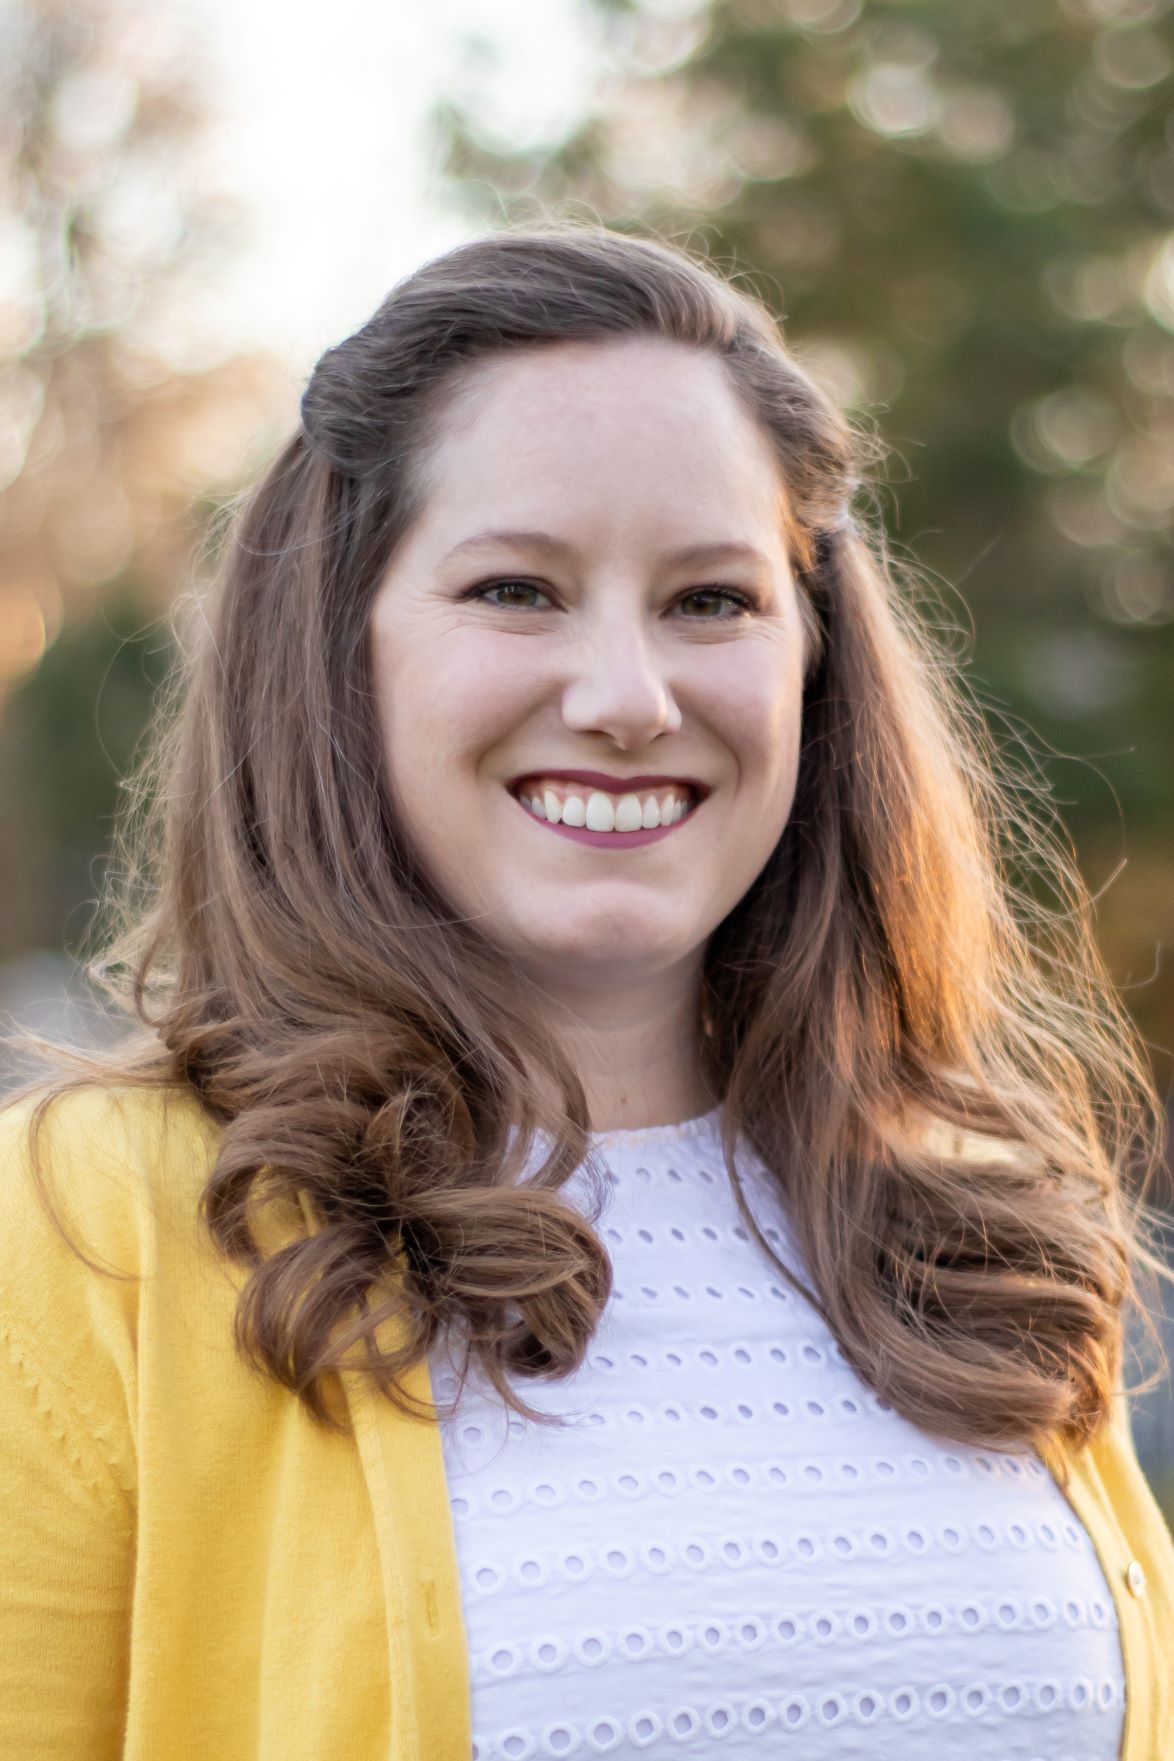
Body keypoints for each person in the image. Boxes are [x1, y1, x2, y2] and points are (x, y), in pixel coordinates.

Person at [1, 221, 1172, 1761]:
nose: (628, 697)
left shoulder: (965, 1228)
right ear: (338, 653)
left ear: (814, 663)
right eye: (515, 589)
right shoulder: (90, 1230)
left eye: (710, 601)